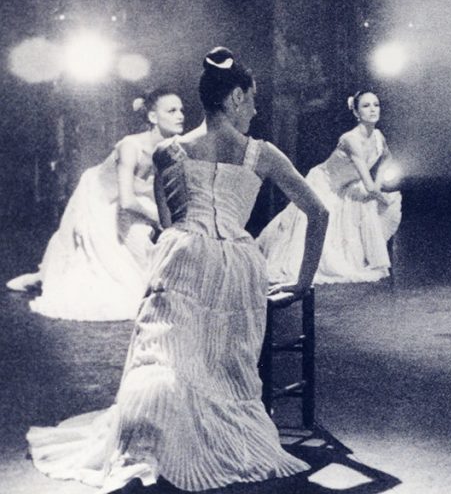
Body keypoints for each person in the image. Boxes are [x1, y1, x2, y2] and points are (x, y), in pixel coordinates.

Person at [26, 47, 328, 492]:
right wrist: (303, 280)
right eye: (252, 99)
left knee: (161, 357)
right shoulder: (262, 154)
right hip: (238, 269)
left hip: (181, 259)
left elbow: (169, 223)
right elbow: (318, 212)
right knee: (225, 367)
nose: (255, 109)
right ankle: (214, 441)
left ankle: (157, 439)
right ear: (236, 98)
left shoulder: (169, 152)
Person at [6, 88, 185, 321]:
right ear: (153, 117)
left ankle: (41, 277)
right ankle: (41, 278)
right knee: (74, 249)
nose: (180, 116)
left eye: (181, 110)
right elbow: (127, 200)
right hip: (99, 197)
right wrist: (158, 218)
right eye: (172, 111)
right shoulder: (130, 147)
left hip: (134, 199)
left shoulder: (172, 148)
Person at [261, 90, 402, 284]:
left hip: (347, 186)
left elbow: (387, 159)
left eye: (376, 105)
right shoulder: (350, 140)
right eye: (366, 106)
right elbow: (370, 188)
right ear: (356, 112)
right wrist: (380, 195)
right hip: (324, 184)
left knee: (365, 204)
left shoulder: (378, 136)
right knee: (307, 233)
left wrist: (377, 185)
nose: (373, 110)